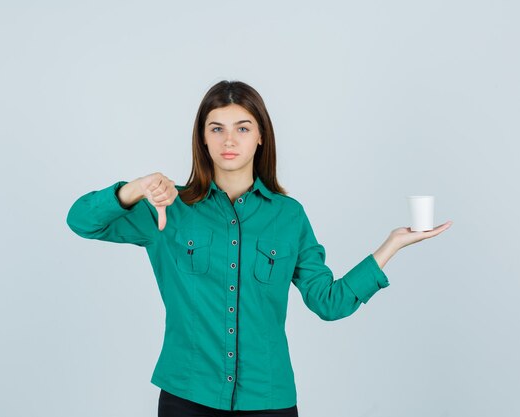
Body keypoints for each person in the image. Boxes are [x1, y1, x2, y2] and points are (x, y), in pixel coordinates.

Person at [66, 80, 453, 417]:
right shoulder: (169, 209)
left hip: (268, 400)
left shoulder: (289, 217)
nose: (229, 140)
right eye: (216, 128)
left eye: (242, 128)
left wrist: (392, 245)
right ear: (202, 137)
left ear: (261, 135)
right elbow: (81, 220)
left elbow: (329, 302)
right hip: (186, 396)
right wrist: (134, 188)